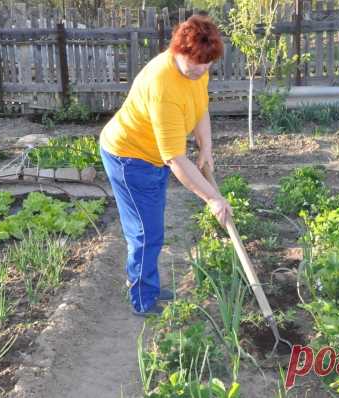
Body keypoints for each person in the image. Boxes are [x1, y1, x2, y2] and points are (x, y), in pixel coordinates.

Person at [99, 15, 233, 316]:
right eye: (195, 63)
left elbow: (200, 107)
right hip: (130, 158)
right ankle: (143, 300)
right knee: (146, 233)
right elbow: (174, 158)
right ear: (178, 50)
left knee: (152, 226)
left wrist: (207, 146)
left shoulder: (197, 70)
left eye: (207, 63)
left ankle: (147, 284)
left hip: (153, 156)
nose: (201, 70)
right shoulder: (163, 86)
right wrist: (212, 198)